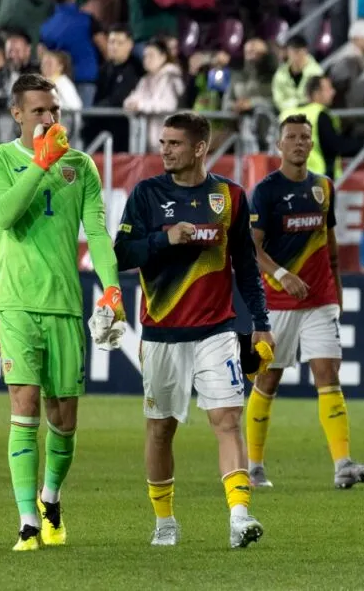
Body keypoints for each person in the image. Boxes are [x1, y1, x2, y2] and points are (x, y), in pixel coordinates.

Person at [0, 73, 126, 551]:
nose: (49, 119)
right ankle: (26, 522)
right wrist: (40, 164)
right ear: (16, 114)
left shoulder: (80, 166)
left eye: (54, 111)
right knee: (24, 409)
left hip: (64, 304)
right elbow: (4, 216)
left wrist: (113, 289)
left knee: (63, 417)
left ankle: (51, 499)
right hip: (16, 302)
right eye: (39, 111)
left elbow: (98, 235)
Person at [113, 112, 274, 548]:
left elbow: (246, 267)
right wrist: (167, 239)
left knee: (226, 419)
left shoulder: (230, 196)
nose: (164, 149)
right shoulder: (147, 194)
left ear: (200, 148)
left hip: (216, 330)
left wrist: (260, 323)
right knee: (161, 428)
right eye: (163, 142)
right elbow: (121, 253)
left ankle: (240, 516)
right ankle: (165, 520)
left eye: (174, 143)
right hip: (162, 332)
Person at [244, 114, 364, 491]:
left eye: (305, 137)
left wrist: (337, 291)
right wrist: (283, 274)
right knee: (268, 379)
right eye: (292, 137)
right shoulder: (267, 191)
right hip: (279, 302)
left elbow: (330, 246)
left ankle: (343, 465)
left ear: (312, 145)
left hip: (320, 301)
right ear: (279, 144)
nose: (299, 143)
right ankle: (253, 466)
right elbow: (253, 250)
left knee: (328, 376)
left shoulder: (324, 187)